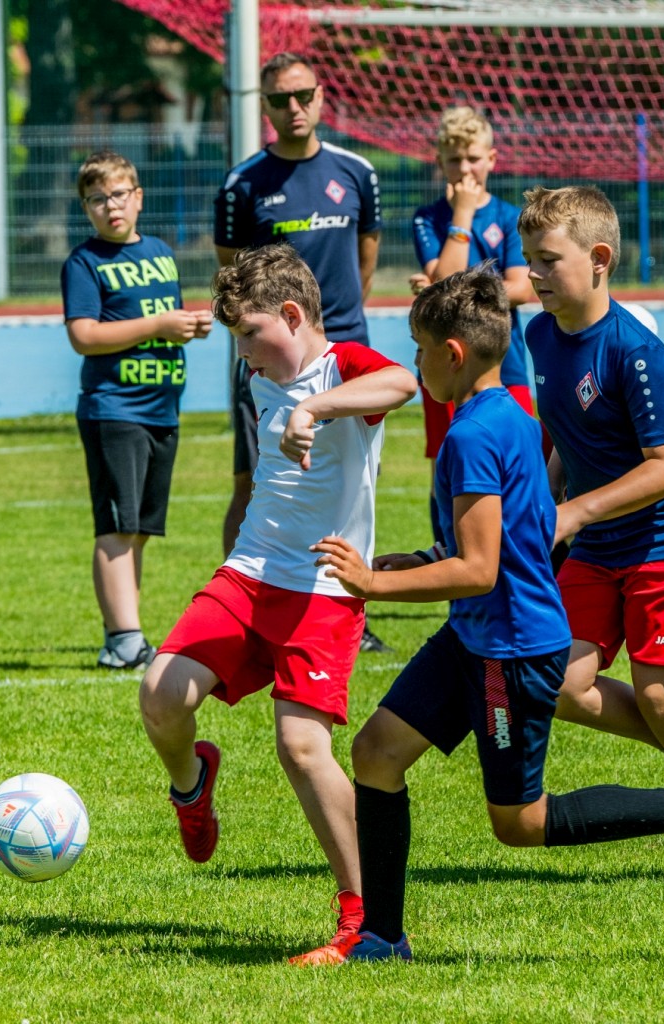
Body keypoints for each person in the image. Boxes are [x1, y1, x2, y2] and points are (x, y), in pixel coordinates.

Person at [302, 266, 664, 964]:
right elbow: (509, 532)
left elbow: (479, 570)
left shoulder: (472, 436)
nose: (415, 365)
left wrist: (370, 583)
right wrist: (424, 558)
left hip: (511, 651)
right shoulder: (514, 418)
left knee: (520, 822)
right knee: (376, 753)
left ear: (453, 354)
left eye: (419, 350)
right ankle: (380, 937)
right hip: (474, 635)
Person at [137, 245, 418, 962]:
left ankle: (366, 920)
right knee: (160, 696)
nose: (242, 355)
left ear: (292, 316)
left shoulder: (341, 366)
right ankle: (191, 784)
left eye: (249, 334)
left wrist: (315, 408)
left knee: (301, 746)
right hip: (250, 573)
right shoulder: (262, 374)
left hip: (322, 588)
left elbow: (403, 382)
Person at [517, 185, 664, 886]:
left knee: (661, 696)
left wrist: (575, 514)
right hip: (600, 540)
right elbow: (567, 435)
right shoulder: (539, 335)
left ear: (599, 259)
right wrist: (544, 502)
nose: (533, 275)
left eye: (548, 261)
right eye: (529, 260)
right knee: (557, 682)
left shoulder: (636, 351)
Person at [213, 51, 392, 654]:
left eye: (302, 94)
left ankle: (346, 611)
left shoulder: (357, 172)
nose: (292, 107)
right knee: (254, 480)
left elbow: (366, 259)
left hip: (343, 350)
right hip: (271, 365)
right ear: (264, 107)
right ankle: (248, 604)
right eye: (278, 99)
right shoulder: (242, 184)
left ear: (320, 96)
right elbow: (232, 278)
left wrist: (323, 337)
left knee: (352, 484)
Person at [61, 150, 213, 670]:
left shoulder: (161, 253)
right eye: (96, 200)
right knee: (116, 527)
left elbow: (161, 321)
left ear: (138, 197)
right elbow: (84, 335)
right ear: (86, 208)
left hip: (161, 408)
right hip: (115, 408)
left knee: (140, 529)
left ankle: (129, 633)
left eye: (118, 195)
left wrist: (187, 327)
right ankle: (122, 639)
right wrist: (159, 326)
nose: (110, 207)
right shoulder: (84, 262)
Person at [408, 106, 538, 545]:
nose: (465, 169)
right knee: (447, 464)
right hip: (444, 367)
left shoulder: (509, 216)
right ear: (440, 162)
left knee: (517, 459)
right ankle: (449, 557)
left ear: (492, 159)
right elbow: (446, 281)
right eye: (454, 160)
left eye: (473, 158)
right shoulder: (428, 218)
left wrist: (444, 285)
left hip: (505, 363)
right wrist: (461, 217)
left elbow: (522, 288)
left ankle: (518, 552)